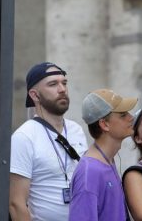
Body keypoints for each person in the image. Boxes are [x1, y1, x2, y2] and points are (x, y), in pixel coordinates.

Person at [9, 62, 88, 221]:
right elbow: (16, 204)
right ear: (35, 95)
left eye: (64, 83)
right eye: (53, 84)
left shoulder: (76, 130)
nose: (62, 89)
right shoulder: (24, 137)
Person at [69, 89, 137, 221]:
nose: (131, 117)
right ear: (104, 124)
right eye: (123, 115)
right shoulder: (89, 173)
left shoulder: (107, 160)